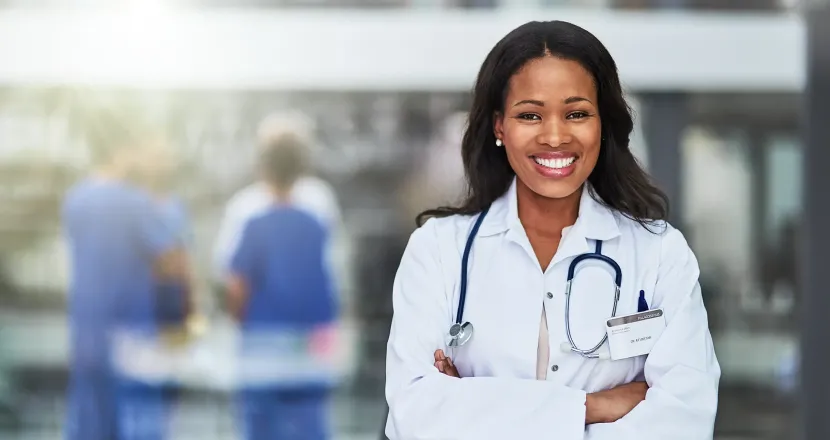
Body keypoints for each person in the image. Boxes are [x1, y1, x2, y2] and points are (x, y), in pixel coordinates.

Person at [384, 20, 720, 439]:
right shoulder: (438, 250)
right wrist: (591, 406)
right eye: (530, 115)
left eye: (577, 113)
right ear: (499, 127)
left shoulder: (659, 254)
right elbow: (415, 417)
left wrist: (474, 406)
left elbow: (682, 423)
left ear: (603, 124)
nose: (555, 136)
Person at [62, 108, 183, 440]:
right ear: (121, 152)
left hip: (86, 330)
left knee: (89, 420)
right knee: (139, 422)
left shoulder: (75, 200)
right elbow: (170, 260)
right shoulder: (135, 203)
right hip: (133, 332)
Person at [227, 132, 339, 440]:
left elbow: (236, 287)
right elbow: (329, 280)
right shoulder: (316, 222)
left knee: (261, 426)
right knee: (309, 423)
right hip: (309, 342)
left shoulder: (253, 222)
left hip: (263, 341)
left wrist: (237, 319)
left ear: (262, 168)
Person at [213, 111, 341, 282]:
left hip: (263, 307)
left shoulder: (245, 208)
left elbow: (228, 273)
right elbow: (335, 265)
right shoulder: (319, 201)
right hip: (313, 307)